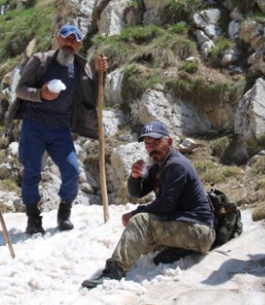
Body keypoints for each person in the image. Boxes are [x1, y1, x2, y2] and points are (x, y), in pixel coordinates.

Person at [82, 120, 215, 289]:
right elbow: (137, 193)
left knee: (140, 222)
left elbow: (165, 205)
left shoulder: (176, 166)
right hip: (185, 226)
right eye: (147, 143)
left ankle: (113, 273)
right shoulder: (159, 165)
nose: (152, 147)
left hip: (199, 230)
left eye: (157, 142)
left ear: (170, 142)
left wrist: (135, 214)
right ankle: (181, 250)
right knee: (139, 242)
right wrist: (135, 177)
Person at [5, 24, 108, 235]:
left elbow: (93, 93)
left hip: (60, 129)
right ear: (57, 39)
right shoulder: (40, 61)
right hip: (34, 125)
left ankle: (64, 211)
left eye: (74, 40)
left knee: (71, 170)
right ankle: (33, 217)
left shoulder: (81, 67)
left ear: (79, 45)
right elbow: (20, 90)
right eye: (66, 38)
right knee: (32, 172)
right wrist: (41, 94)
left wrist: (100, 73)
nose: (69, 43)